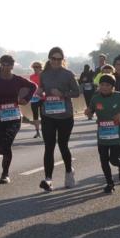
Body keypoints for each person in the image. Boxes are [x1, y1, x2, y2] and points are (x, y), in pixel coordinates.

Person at [0, 54, 35, 184]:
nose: (6, 67)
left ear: (12, 66)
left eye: (8, 65)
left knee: (6, 145)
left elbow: (33, 87)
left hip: (14, 117)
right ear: (1, 65)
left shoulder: (17, 80)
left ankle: (5, 174)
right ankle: (4, 169)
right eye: (3, 64)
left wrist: (25, 99)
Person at [37, 46, 80, 191]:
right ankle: (48, 179)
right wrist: (40, 91)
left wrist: (62, 94)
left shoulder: (68, 74)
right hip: (48, 114)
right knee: (49, 146)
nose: (56, 61)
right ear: (49, 59)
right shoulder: (43, 74)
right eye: (53, 58)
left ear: (63, 60)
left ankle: (69, 172)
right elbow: (41, 89)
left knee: (63, 145)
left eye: (59, 59)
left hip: (65, 115)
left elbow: (76, 92)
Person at [85, 74, 120, 194]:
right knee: (103, 160)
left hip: (117, 135)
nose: (104, 87)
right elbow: (90, 111)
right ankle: (109, 183)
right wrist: (88, 113)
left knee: (114, 160)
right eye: (102, 85)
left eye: (107, 85)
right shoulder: (95, 98)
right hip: (102, 135)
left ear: (112, 86)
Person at [28, 61, 43, 138]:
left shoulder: (44, 75)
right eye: (34, 67)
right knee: (35, 115)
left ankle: (45, 130)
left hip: (43, 98)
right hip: (34, 99)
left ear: (40, 67)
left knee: (43, 115)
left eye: (37, 67)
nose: (35, 69)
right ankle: (37, 132)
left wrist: (42, 94)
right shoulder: (31, 77)